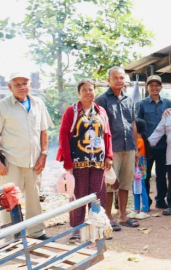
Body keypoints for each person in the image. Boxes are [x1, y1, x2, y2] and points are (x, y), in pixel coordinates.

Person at [0, 72, 52, 239]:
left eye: (25, 83)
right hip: (11, 160)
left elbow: (44, 131)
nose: (22, 87)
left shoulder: (38, 103)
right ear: (10, 87)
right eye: (17, 84)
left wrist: (44, 154)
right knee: (9, 199)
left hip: (34, 160)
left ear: (30, 85)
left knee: (34, 198)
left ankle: (36, 232)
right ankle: (11, 236)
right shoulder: (1, 106)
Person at [57, 79, 113, 238]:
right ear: (79, 93)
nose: (88, 93)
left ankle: (99, 228)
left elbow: (107, 134)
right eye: (84, 90)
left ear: (95, 91)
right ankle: (76, 230)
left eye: (91, 89)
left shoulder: (101, 111)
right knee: (78, 195)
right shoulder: (72, 111)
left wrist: (109, 156)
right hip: (78, 161)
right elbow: (63, 136)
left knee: (98, 196)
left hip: (98, 161)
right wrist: (67, 161)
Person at [95, 66, 140, 230]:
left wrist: (136, 148)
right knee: (109, 183)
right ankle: (108, 217)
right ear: (109, 80)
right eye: (115, 78)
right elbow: (98, 127)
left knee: (125, 183)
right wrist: (103, 152)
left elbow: (133, 124)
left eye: (122, 77)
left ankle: (122, 216)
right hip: (111, 149)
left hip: (128, 147)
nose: (119, 81)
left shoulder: (129, 100)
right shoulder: (101, 100)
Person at [136, 75, 171, 209]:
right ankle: (147, 201)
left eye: (157, 85)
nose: (154, 88)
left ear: (161, 87)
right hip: (146, 147)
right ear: (147, 87)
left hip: (163, 145)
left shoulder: (167, 103)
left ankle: (161, 200)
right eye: (151, 85)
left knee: (162, 174)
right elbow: (137, 125)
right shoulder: (141, 104)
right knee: (145, 175)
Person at [131, 119, 151, 220]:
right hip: (135, 166)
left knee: (141, 187)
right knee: (135, 188)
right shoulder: (138, 140)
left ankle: (145, 209)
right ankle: (136, 208)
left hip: (139, 167)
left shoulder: (139, 141)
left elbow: (134, 152)